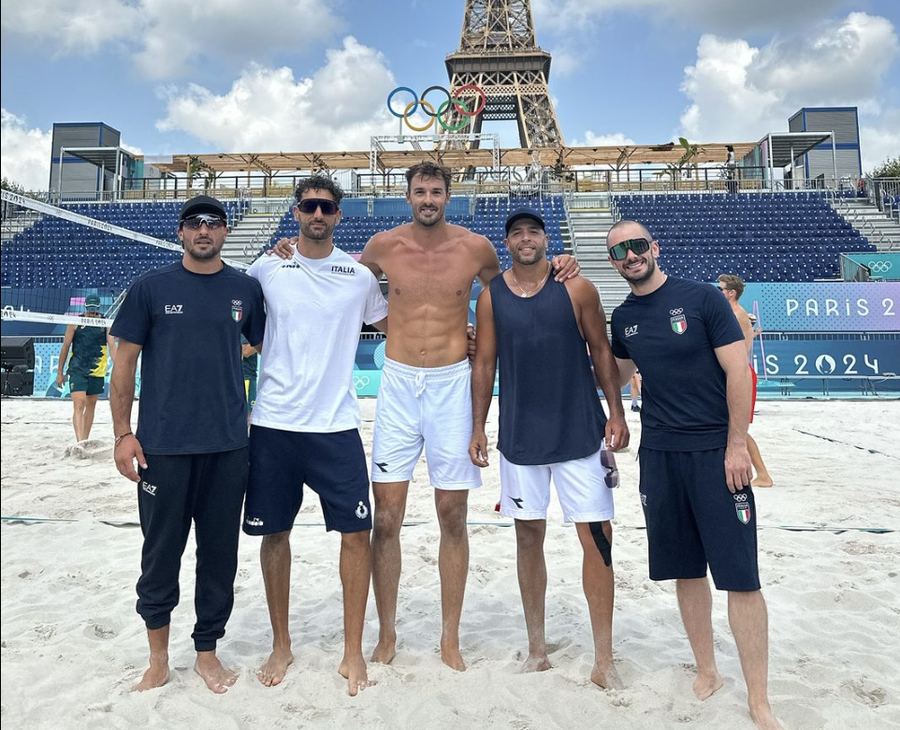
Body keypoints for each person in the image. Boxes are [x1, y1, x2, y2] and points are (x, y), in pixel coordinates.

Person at [269, 163, 579, 670]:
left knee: (452, 515)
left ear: (448, 196)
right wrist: (287, 252)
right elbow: (330, 276)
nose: (428, 198)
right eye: (420, 191)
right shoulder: (382, 246)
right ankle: (387, 634)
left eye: (437, 191)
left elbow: (516, 291)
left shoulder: (476, 248)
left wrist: (560, 264)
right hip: (396, 384)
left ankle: (449, 637)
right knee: (386, 518)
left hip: (452, 386)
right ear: (407, 195)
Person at [605, 220, 784, 730]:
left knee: (741, 578)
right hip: (660, 455)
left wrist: (736, 446)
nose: (630, 255)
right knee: (685, 570)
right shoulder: (623, 317)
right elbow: (614, 373)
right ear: (614, 262)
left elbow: (737, 371)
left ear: (654, 248)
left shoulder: (703, 299)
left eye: (637, 245)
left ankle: (760, 700)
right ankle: (707, 670)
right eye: (619, 251)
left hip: (714, 452)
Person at [110, 195, 265, 694]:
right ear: (180, 232)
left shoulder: (245, 288)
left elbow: (256, 340)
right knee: (160, 554)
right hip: (163, 447)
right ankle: (158, 659)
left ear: (224, 232)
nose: (204, 231)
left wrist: (219, 350)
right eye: (194, 223)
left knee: (219, 554)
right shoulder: (151, 288)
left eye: (213, 223)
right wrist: (122, 434)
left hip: (226, 446)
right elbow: (125, 363)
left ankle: (206, 653)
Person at [469, 208, 629, 688]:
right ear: (507, 244)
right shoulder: (492, 297)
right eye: (516, 232)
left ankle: (604, 658)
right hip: (520, 438)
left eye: (533, 231)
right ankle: (536, 648)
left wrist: (616, 413)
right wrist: (478, 425)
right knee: (527, 538)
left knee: (597, 540)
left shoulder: (576, 287)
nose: (525, 239)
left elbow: (601, 350)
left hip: (580, 432)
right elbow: (485, 365)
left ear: (545, 239)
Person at [243, 176, 388, 695]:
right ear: (297, 212)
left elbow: (401, 325)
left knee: (356, 535)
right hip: (274, 424)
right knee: (273, 534)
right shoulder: (266, 268)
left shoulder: (358, 276)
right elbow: (235, 325)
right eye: (310, 206)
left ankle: (353, 652)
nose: (318, 214)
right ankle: (281, 643)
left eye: (327, 206)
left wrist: (460, 337)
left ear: (339, 215)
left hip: (336, 426)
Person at [717, 274, 774, 488]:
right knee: (728, 425)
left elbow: (742, 349)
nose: (718, 292)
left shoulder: (737, 314)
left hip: (741, 374)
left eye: (721, 289)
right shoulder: (735, 314)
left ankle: (763, 474)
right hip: (736, 372)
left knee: (737, 428)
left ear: (731, 293)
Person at [56, 294, 116, 442]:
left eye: (95, 310)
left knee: (91, 404)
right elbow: (65, 347)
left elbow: (112, 345)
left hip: (97, 370)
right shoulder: (75, 322)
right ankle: (79, 442)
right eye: (91, 310)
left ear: (99, 308)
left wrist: (119, 366)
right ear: (85, 307)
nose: (93, 312)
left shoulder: (105, 323)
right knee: (79, 402)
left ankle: (85, 439)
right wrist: (59, 372)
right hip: (77, 368)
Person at [241, 334, 258, 418]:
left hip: (249, 376)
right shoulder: (245, 329)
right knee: (248, 416)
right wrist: (264, 339)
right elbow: (245, 351)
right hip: (247, 377)